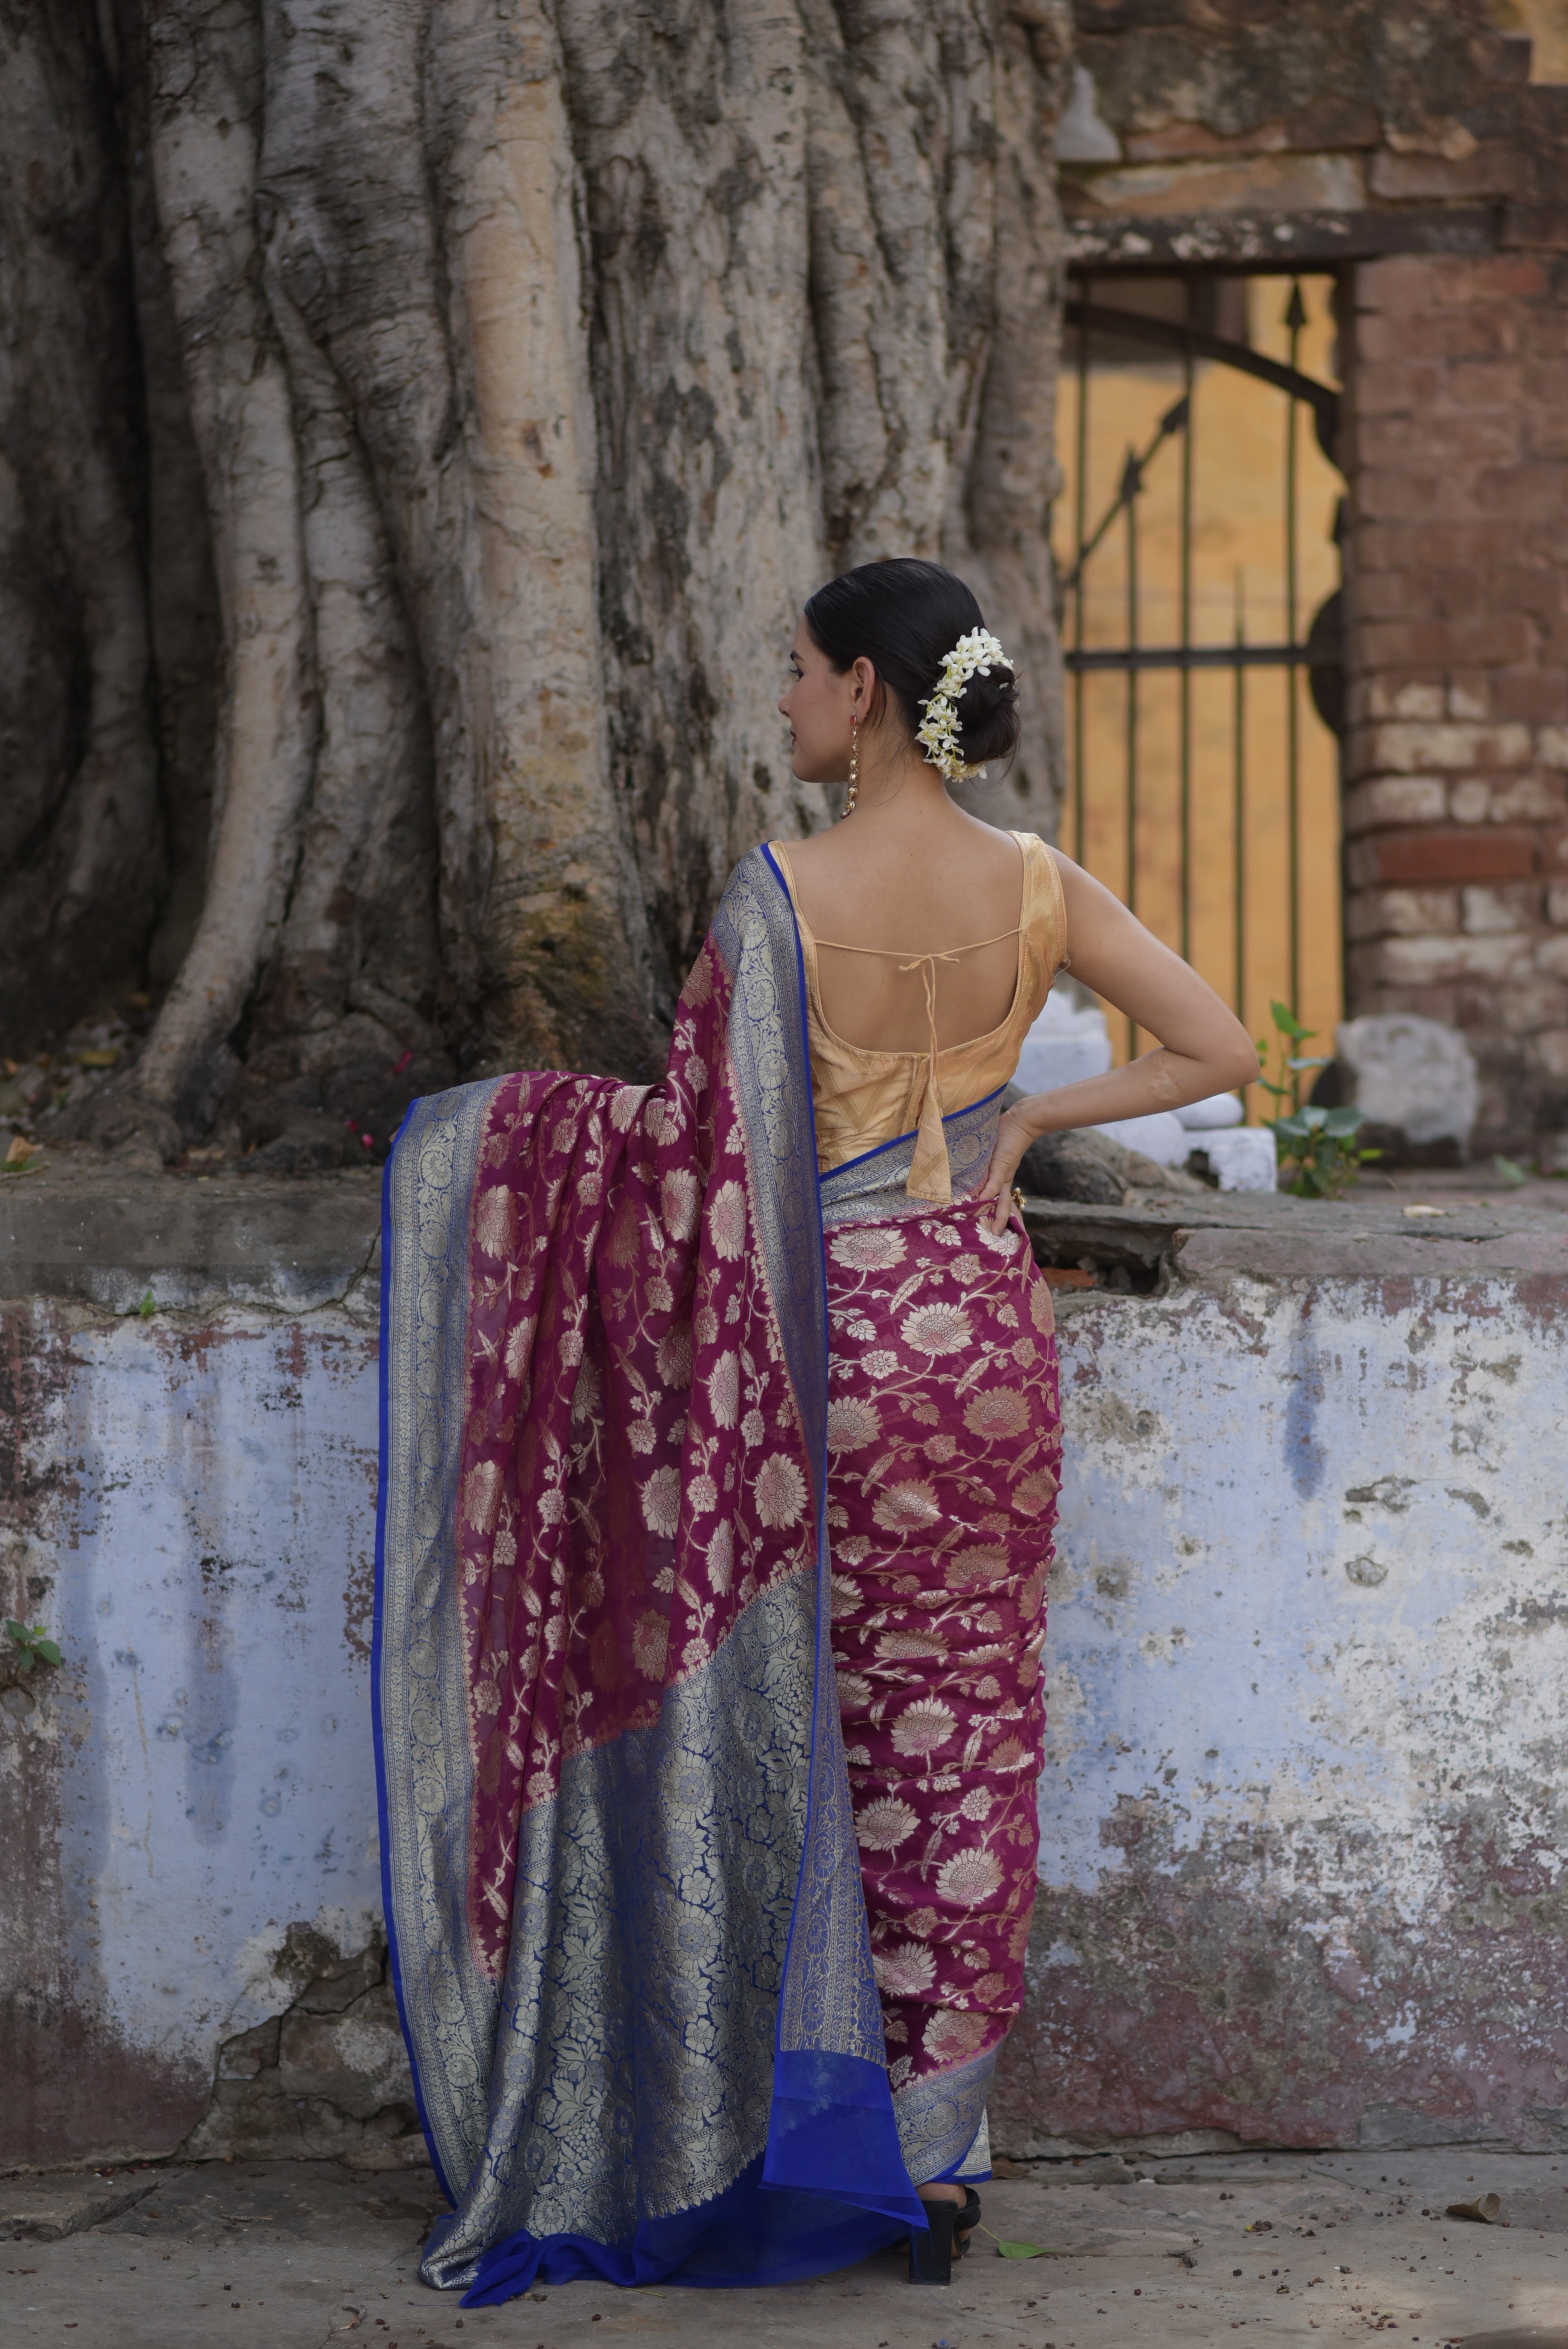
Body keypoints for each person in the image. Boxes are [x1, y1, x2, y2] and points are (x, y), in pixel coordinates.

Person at [373, 559, 1256, 2309]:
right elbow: (1218, 1048)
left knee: (801, 1723)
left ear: (864, 690)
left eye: (795, 674)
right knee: (966, 1724)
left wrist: (500, 1137)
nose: (781, 703)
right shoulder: (1034, 880)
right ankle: (940, 2159)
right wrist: (1030, 1114)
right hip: (986, 1343)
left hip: (821, 1342)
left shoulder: (777, 894)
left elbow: (699, 1160)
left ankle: (774, 2124)